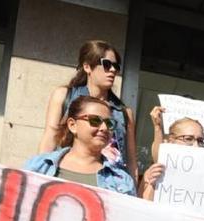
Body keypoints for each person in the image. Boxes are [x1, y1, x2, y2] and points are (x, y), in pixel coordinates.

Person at [38, 40, 137, 182]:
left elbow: (131, 160)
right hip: (66, 175)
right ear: (87, 67)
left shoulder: (124, 113)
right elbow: (50, 139)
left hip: (110, 184)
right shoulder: (64, 96)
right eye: (107, 65)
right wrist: (40, 178)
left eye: (116, 66)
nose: (113, 70)